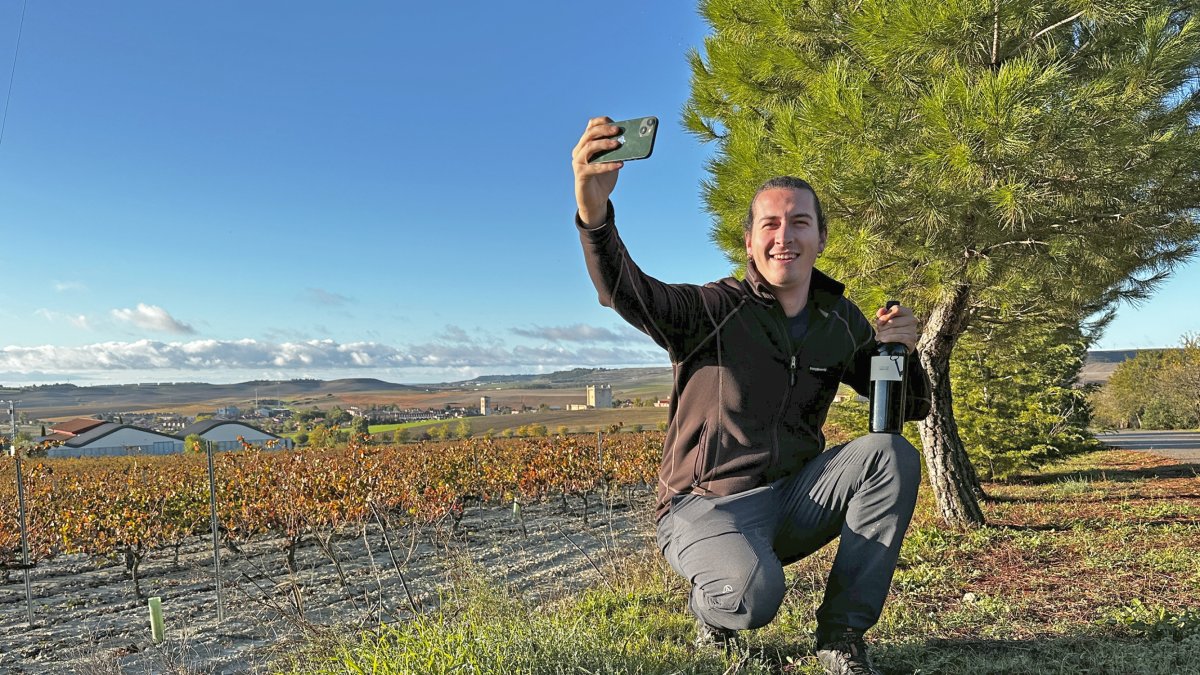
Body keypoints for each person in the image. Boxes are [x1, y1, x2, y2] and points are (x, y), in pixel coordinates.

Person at [571, 116, 932, 675]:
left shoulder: (840, 320)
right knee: (752, 598)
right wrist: (594, 212)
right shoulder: (712, 311)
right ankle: (711, 612)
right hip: (704, 505)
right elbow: (625, 291)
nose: (783, 236)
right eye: (770, 224)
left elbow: (908, 409)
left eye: (799, 223)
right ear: (749, 239)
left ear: (820, 237)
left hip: (792, 500)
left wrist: (902, 351)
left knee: (889, 453)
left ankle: (841, 637)